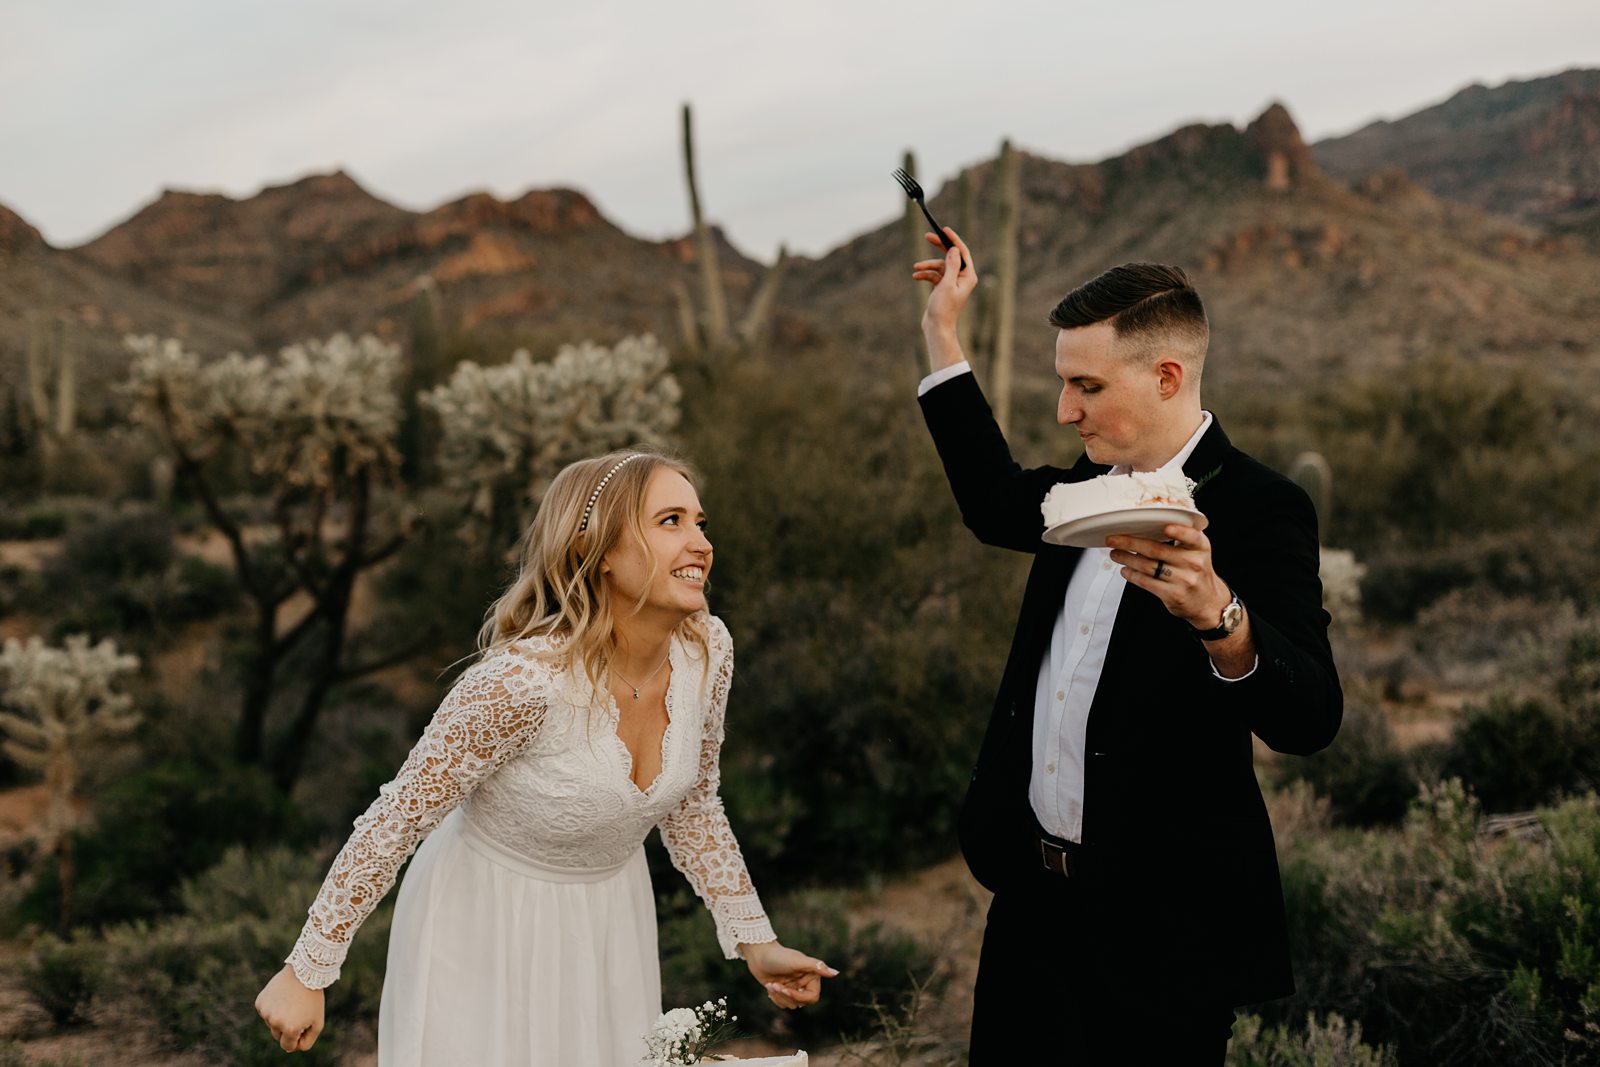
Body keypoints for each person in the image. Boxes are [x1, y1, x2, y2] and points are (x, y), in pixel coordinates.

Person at [910, 229, 1342, 1064]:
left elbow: (1310, 717)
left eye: (1086, 385)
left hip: (1167, 936)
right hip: (1031, 912)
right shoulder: (1077, 492)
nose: (1066, 409)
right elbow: (995, 502)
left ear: (1167, 376)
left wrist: (1222, 616)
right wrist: (943, 333)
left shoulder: (1263, 507)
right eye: (1064, 382)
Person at [254, 449, 837, 1064]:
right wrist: (308, 970)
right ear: (597, 551)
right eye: (671, 521)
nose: (700, 543)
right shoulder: (520, 684)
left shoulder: (706, 652)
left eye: (700, 523)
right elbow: (396, 820)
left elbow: (694, 806)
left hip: (612, 923)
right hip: (482, 927)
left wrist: (756, 942)